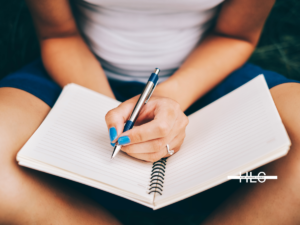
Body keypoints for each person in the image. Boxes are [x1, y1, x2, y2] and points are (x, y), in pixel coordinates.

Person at [1, 0, 300, 224]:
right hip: (74, 74)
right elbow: (58, 35)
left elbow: (236, 36)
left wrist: (170, 97)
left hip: (210, 74)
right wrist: (106, 108)